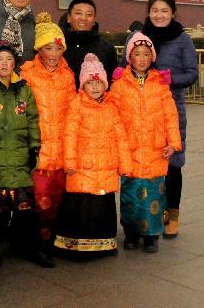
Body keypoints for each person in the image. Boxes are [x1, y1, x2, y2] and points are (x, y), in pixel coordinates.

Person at [0, 41, 50, 267]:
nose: (4, 63)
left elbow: (32, 120)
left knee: (25, 206)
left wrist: (34, 148)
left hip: (19, 158)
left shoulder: (23, 89)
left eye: (9, 59)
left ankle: (31, 247)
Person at [111, 32, 181, 253]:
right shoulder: (119, 84)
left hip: (155, 148)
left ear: (153, 57)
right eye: (137, 54)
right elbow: (113, 116)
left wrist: (173, 143)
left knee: (154, 193)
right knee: (130, 194)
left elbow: (170, 115)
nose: (141, 59)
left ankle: (151, 235)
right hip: (130, 148)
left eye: (146, 54)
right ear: (129, 57)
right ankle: (131, 233)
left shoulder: (160, 83)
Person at [56, 54, 131, 258]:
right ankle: (77, 245)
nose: (95, 87)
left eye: (99, 82)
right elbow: (69, 135)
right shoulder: (76, 105)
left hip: (106, 167)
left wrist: (125, 165)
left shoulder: (111, 107)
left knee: (102, 205)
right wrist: (69, 162)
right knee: (82, 206)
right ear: (83, 86)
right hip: (82, 167)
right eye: (90, 83)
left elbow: (121, 138)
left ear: (105, 84)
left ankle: (104, 244)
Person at [142, 0, 198, 239]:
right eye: (155, 10)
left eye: (164, 11)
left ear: (173, 13)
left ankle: (172, 215)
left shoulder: (183, 39)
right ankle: (148, 212)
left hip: (172, 108)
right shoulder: (140, 37)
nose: (159, 15)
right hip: (142, 109)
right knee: (146, 162)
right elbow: (124, 66)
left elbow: (192, 73)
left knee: (173, 163)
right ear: (149, 12)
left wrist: (170, 79)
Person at [20, 12, 75, 262]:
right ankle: (38, 245)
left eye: (58, 48)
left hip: (62, 148)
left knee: (58, 198)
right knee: (38, 198)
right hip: (38, 147)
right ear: (39, 49)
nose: (54, 54)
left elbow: (73, 111)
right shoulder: (27, 74)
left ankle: (53, 240)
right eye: (48, 48)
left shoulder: (68, 74)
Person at [58, 0, 118, 88]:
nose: (83, 18)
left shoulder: (107, 48)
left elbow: (113, 83)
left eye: (89, 14)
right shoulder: (57, 46)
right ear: (69, 18)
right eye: (78, 13)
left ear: (94, 20)